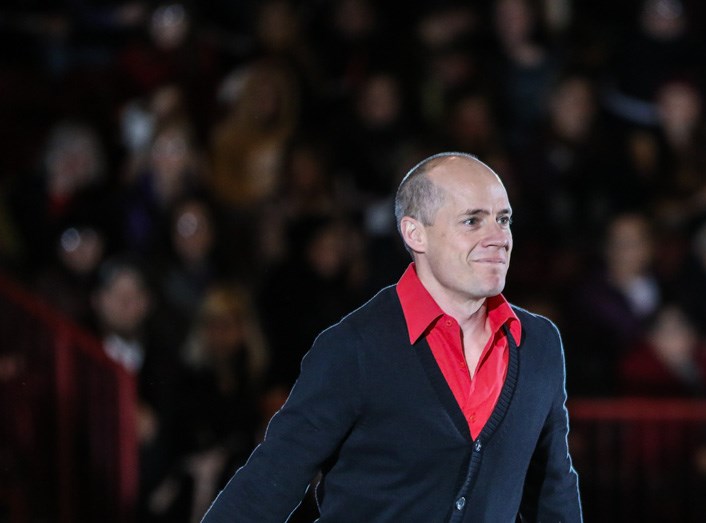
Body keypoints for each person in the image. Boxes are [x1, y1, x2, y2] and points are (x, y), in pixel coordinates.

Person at [202, 152, 582, 522]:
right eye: (472, 221)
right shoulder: (355, 348)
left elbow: (553, 492)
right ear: (415, 233)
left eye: (503, 219)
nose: (498, 238)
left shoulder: (539, 343)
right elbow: (272, 479)